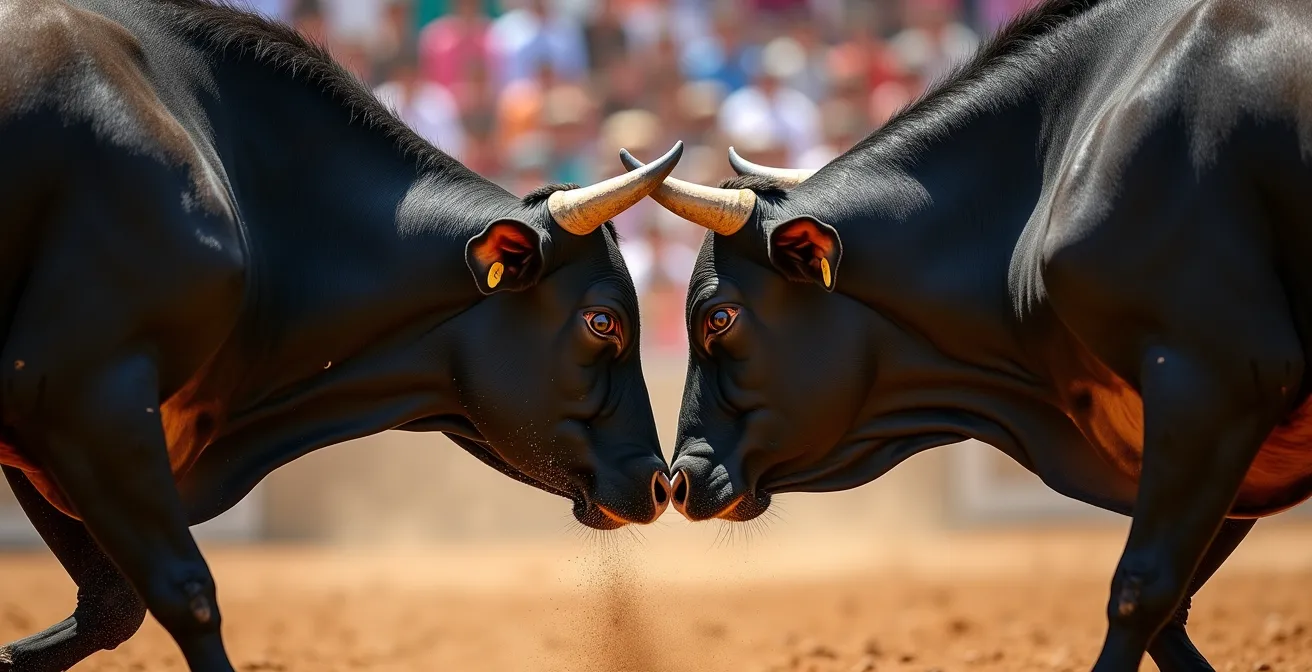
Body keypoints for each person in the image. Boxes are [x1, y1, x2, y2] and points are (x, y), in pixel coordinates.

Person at [717, 37, 820, 166]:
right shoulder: (736, 105)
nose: (768, 81)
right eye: (764, 76)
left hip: (792, 173)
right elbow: (730, 145)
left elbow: (809, 146)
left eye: (773, 76)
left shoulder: (801, 106)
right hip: (747, 171)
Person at [373, 55, 467, 157]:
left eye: (411, 74)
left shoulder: (440, 98)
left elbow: (454, 144)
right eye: (402, 74)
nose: (407, 79)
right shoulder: (381, 95)